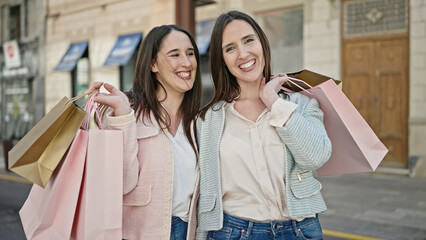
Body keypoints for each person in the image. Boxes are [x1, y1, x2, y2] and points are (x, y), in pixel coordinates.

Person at [195, 10, 332, 240]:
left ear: (262, 43)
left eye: (249, 41)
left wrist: (274, 102)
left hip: (300, 231)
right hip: (233, 232)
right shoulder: (208, 119)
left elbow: (317, 156)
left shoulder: (300, 104)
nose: (243, 53)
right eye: (230, 48)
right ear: (223, 61)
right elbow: (203, 190)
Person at [90, 24, 202, 240]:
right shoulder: (127, 112)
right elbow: (120, 184)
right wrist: (122, 119)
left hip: (187, 232)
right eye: (174, 55)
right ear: (153, 64)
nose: (186, 63)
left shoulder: (198, 122)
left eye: (190, 54)